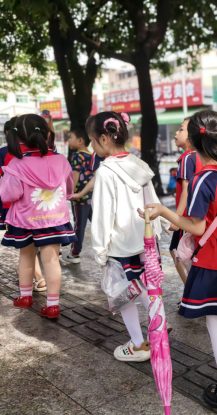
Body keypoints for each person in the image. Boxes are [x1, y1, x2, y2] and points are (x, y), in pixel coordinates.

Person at [140, 110, 217, 414]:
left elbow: (195, 226)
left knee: (215, 323)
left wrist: (163, 212)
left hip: (212, 261)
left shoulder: (202, 178)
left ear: (194, 143)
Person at [88, 111, 170, 363]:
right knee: (147, 286)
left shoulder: (105, 172)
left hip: (120, 245)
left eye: (92, 139)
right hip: (146, 240)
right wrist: (164, 223)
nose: (92, 144)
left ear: (103, 138)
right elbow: (152, 200)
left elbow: (102, 215)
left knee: (124, 295)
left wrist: (100, 251)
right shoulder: (139, 164)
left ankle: (138, 344)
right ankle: (160, 327)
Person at [0, 114, 76, 318]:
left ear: (18, 138)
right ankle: (53, 305)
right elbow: (69, 188)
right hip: (55, 219)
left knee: (26, 257)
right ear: (46, 134)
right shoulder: (61, 160)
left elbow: (9, 194)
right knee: (52, 261)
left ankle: (25, 296)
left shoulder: (16, 164)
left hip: (26, 221)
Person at [1, 117, 48, 292]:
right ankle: (52, 302)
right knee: (48, 257)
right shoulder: (51, 156)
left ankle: (29, 290)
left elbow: (8, 192)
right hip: (48, 213)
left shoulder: (9, 155)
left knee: (26, 252)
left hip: (19, 212)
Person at [169, 117, 204, 290]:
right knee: (189, 252)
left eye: (181, 129)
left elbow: (185, 189)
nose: (177, 132)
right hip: (197, 215)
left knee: (177, 251)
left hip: (186, 216)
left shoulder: (186, 159)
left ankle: (190, 288)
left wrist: (177, 218)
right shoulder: (200, 157)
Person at [63, 129, 94, 264]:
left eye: (71, 137)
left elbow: (74, 177)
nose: (68, 140)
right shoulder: (92, 155)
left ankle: (75, 253)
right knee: (97, 223)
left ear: (80, 141)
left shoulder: (76, 156)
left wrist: (70, 193)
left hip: (79, 198)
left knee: (79, 226)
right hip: (92, 197)